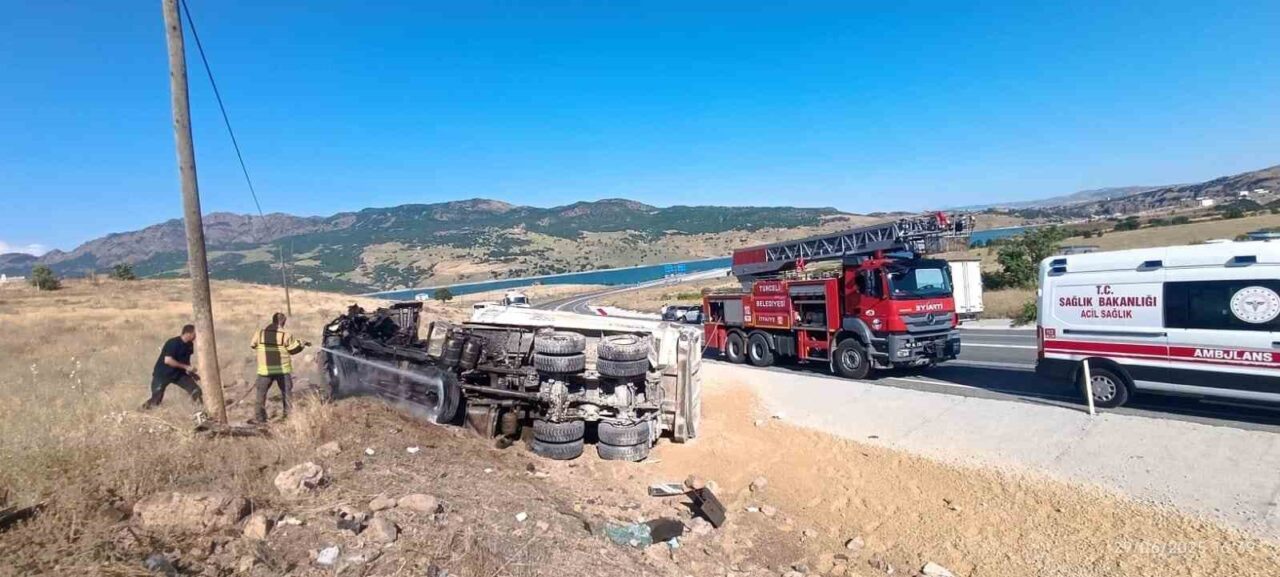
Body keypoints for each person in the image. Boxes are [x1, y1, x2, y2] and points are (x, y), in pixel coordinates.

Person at [250, 312, 308, 423]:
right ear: (283, 322)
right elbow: (292, 350)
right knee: (287, 394)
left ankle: (260, 419)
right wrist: (302, 344)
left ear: (273, 320)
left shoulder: (260, 333)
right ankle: (288, 417)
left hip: (264, 370)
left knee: (260, 395)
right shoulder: (285, 335)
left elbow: (253, 345)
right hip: (282, 370)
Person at [143, 324, 203, 409]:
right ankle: (141, 411)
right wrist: (186, 367)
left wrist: (191, 373)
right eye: (195, 334)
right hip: (163, 374)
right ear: (188, 333)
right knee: (156, 400)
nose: (196, 336)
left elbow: (186, 361)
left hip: (179, 375)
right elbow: (168, 360)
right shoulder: (173, 343)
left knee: (196, 391)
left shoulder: (190, 345)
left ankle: (200, 411)